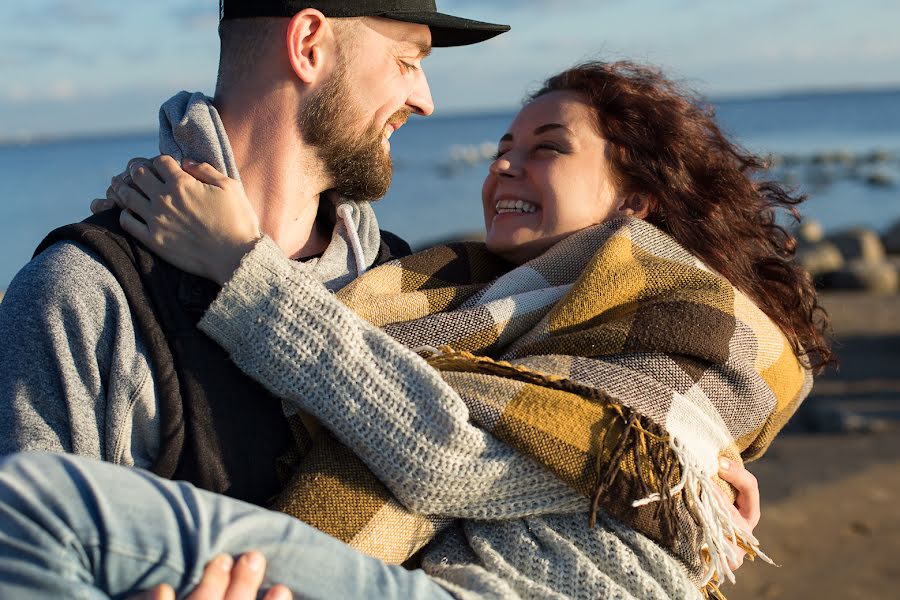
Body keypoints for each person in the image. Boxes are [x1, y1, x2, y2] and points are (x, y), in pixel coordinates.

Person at [0, 61, 829, 600]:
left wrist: (237, 264)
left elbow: (445, 458)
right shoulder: (451, 298)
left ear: (635, 200)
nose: (503, 164)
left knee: (30, 507)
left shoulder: (689, 327)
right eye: (504, 146)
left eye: (546, 149)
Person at [0, 1, 508, 505]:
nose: (425, 101)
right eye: (407, 62)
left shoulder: (405, 278)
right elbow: (31, 563)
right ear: (308, 45)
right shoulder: (86, 292)